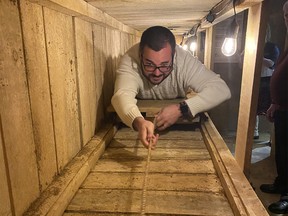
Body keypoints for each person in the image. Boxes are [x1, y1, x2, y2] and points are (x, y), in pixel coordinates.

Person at [111, 26, 231, 148]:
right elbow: (122, 95)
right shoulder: (130, 59)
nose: (157, 73)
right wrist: (138, 121)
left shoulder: (184, 60)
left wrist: (181, 109)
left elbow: (221, 89)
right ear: (140, 55)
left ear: (174, 55)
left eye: (164, 65)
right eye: (149, 65)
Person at [259, 1, 288, 214]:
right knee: (282, 151)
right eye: (286, 15)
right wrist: (275, 103)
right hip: (282, 107)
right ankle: (281, 183)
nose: (287, 20)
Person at [254, 40, 280, 140]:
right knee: (254, 108)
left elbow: (271, 63)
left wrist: (258, 56)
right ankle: (254, 132)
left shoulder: (272, 47)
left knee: (270, 109)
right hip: (256, 79)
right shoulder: (252, 44)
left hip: (268, 79)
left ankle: (271, 137)